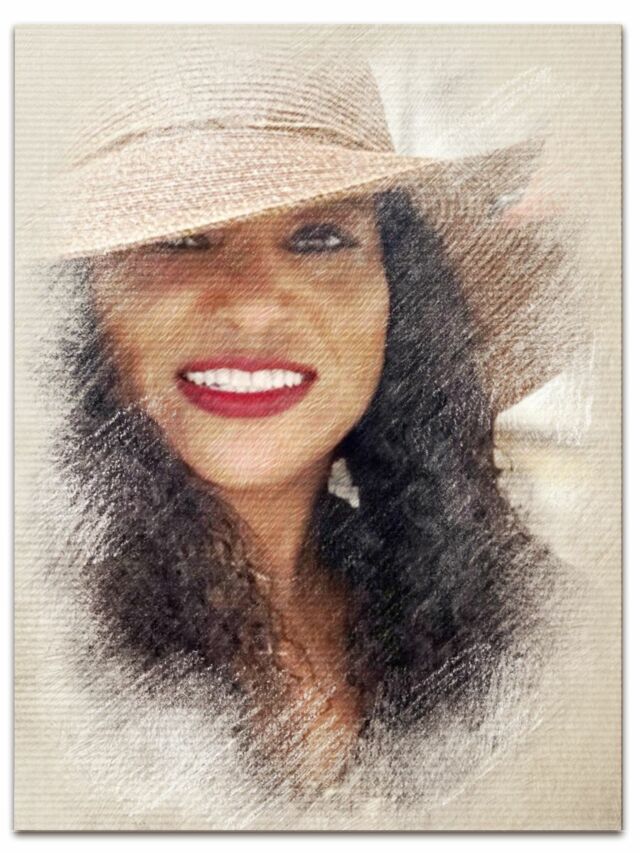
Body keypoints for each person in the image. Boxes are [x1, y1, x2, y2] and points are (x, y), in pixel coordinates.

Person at [38, 47, 577, 793]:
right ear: (74, 310)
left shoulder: (530, 633)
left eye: (320, 237)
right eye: (181, 238)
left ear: (400, 301)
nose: (256, 304)